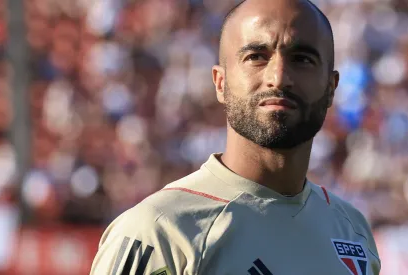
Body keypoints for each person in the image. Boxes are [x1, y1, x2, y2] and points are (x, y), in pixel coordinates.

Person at [90, 0, 381, 274]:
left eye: (302, 59)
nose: (278, 77)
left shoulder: (351, 229)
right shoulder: (160, 230)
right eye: (256, 57)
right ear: (220, 82)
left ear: (332, 87)